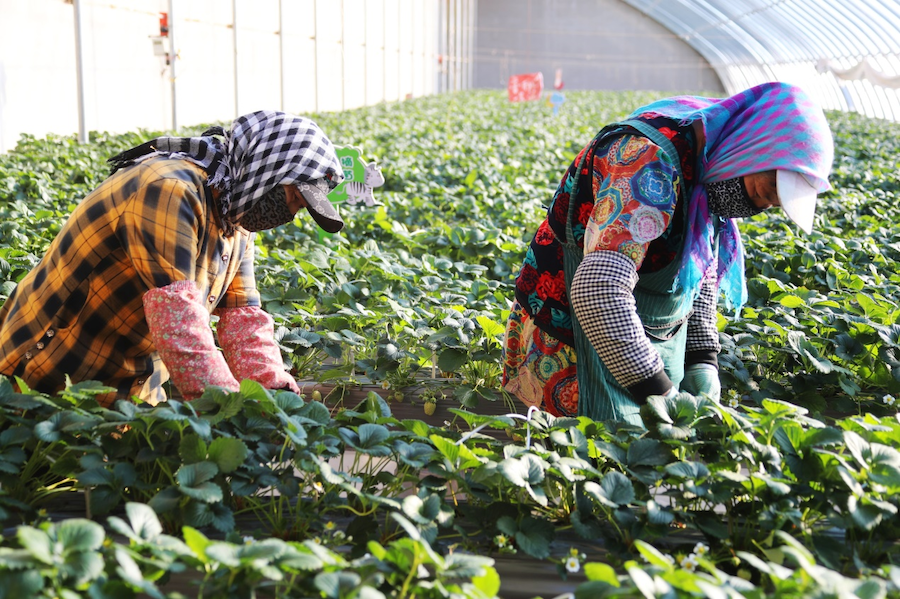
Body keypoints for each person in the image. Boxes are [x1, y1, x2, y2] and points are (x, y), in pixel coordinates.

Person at [501, 82, 834, 426]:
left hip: (640, 336)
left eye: (774, 204)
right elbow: (598, 290)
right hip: (572, 341)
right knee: (584, 452)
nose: (762, 205)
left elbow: (698, 263)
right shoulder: (648, 164)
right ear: (750, 150)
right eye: (766, 191)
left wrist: (703, 358)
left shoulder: (714, 158)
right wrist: (658, 390)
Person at [0, 110, 345, 407]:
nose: (291, 213)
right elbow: (177, 317)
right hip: (47, 367)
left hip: (128, 387)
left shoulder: (235, 215)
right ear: (268, 169)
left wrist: (273, 388)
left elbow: (243, 315)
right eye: (294, 198)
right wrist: (227, 409)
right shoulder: (170, 190)